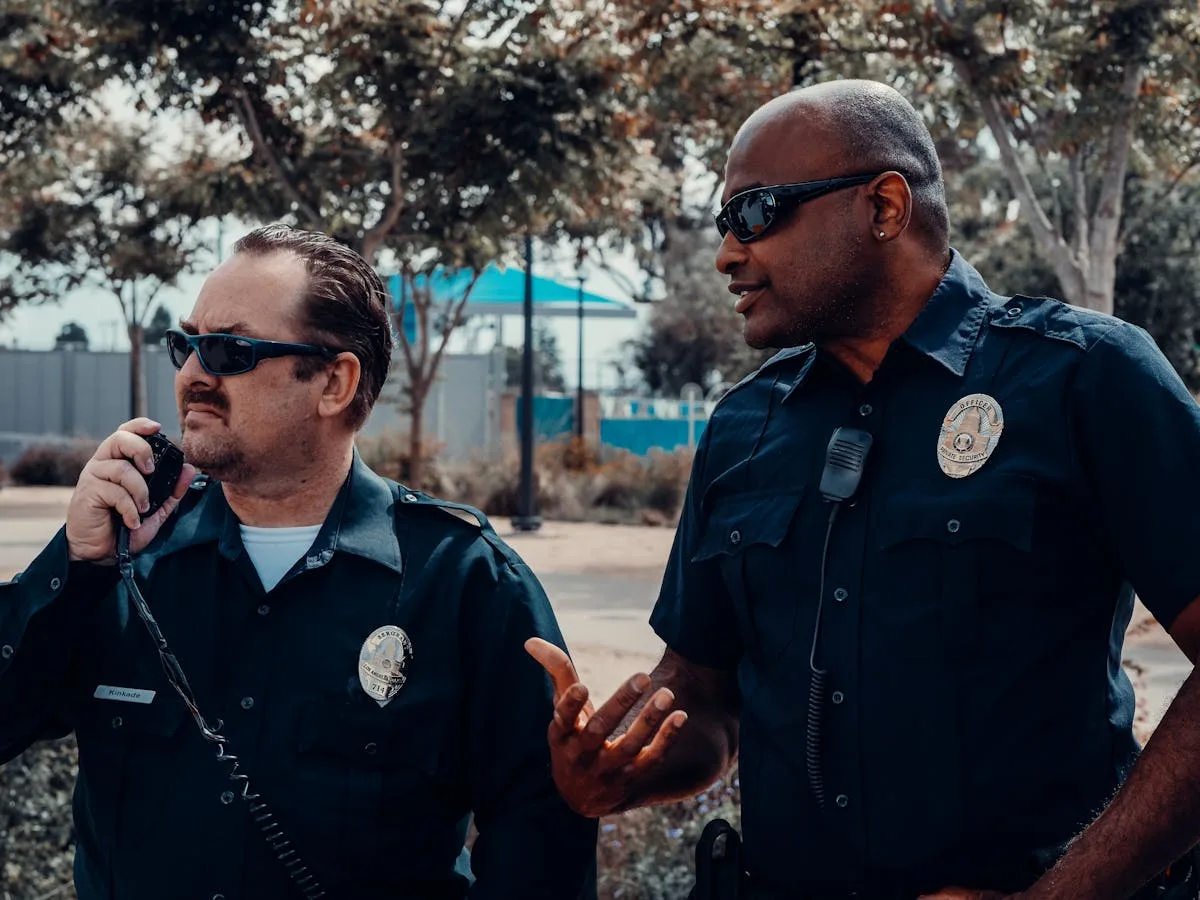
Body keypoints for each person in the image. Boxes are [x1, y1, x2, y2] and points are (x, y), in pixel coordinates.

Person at [528, 79, 1200, 900]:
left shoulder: (1085, 379)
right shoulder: (743, 425)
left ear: (884, 206)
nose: (728, 255)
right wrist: (621, 768)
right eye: (722, 224)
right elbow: (704, 695)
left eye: (755, 213)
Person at [0, 224, 596, 899]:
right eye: (185, 344)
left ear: (335, 383)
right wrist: (75, 566)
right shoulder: (118, 559)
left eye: (229, 350)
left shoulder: (467, 585)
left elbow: (541, 844)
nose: (194, 373)